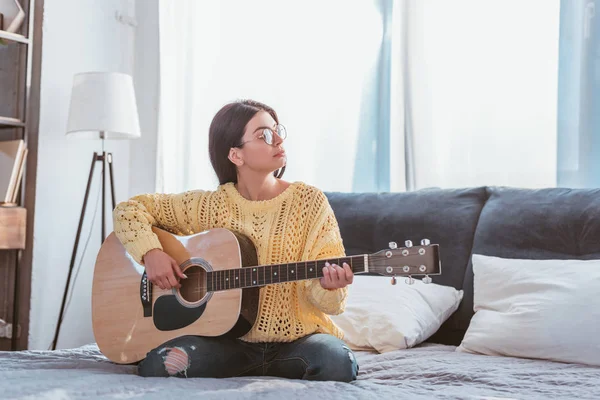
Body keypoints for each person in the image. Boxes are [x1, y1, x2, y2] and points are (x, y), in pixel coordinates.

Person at [112, 99, 358, 381]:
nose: (278, 139)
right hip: (227, 344)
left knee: (338, 362)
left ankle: (268, 369)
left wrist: (329, 286)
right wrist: (151, 252)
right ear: (236, 156)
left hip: (299, 344)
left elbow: (333, 305)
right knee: (159, 365)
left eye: (277, 130)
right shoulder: (209, 206)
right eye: (264, 134)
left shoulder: (309, 202)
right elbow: (129, 210)